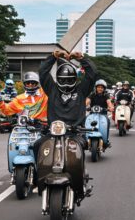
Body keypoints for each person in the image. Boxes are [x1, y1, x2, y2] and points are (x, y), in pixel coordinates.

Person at [35, 49, 97, 195]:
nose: (66, 82)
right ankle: (38, 179)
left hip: (75, 133)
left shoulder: (81, 90)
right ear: (57, 79)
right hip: (53, 132)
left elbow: (92, 74)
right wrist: (53, 57)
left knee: (79, 151)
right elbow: (42, 72)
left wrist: (82, 58)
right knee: (37, 145)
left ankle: (81, 181)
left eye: (69, 80)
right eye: (63, 80)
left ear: (75, 79)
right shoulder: (52, 89)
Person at [86, 79, 114, 145]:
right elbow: (87, 101)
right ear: (96, 88)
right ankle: (85, 137)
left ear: (104, 89)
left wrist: (110, 107)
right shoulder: (92, 94)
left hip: (103, 114)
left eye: (101, 87)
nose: (100, 89)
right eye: (98, 87)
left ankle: (106, 139)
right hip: (92, 114)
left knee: (108, 121)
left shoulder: (106, 95)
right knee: (85, 120)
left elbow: (109, 102)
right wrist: (84, 106)